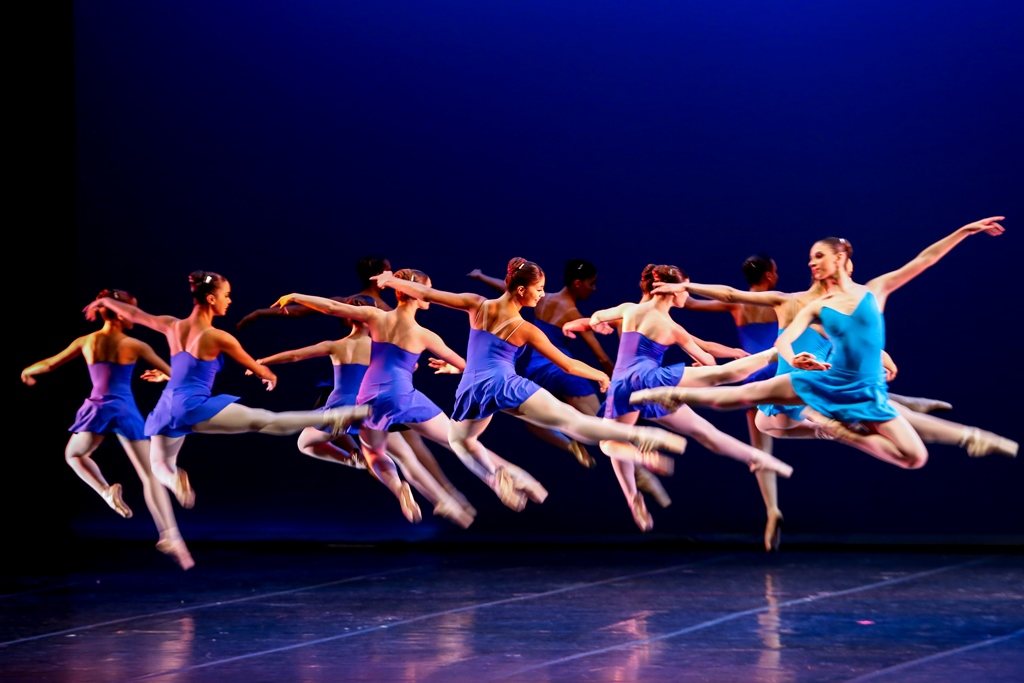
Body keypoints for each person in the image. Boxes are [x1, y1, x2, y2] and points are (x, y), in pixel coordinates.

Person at [633, 218, 1018, 469]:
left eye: (819, 257)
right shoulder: (794, 302)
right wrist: (687, 286)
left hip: (829, 390)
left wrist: (964, 231)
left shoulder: (860, 296)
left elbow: (922, 262)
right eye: (811, 259)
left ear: (841, 260)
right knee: (746, 402)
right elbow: (734, 295)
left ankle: (848, 422)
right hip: (797, 391)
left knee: (894, 442)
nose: (812, 264)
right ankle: (676, 394)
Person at [371, 258, 691, 511]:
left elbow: (426, 294)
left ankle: (498, 481)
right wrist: (600, 375)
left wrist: (390, 281)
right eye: (538, 290)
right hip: (506, 385)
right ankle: (645, 435)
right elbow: (568, 364)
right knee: (577, 424)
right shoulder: (524, 328)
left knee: (460, 442)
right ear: (522, 290)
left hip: (473, 389)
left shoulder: (476, 304)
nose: (540, 295)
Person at [83, 272, 368, 525]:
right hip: (194, 405)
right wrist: (268, 375)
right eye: (226, 295)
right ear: (210, 298)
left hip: (166, 407)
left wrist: (103, 302)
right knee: (267, 421)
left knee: (160, 466)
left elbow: (135, 315)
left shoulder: (171, 325)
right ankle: (329, 416)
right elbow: (258, 369)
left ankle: (174, 479)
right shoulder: (220, 337)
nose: (229, 301)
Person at [273, 269, 535, 523]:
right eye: (427, 290)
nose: (428, 295)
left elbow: (331, 308)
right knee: (457, 440)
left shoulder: (375, 317)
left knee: (375, 454)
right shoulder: (425, 335)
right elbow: (469, 365)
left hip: (368, 399)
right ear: (416, 294)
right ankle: (493, 478)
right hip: (403, 396)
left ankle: (399, 488)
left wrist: (296, 295)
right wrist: (455, 367)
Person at [583, 264, 794, 532]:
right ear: (674, 291)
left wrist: (597, 324)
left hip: (622, 384)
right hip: (651, 382)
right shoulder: (671, 327)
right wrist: (702, 366)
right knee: (710, 409)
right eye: (684, 289)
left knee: (609, 443)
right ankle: (759, 452)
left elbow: (597, 316)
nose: (686, 297)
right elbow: (707, 360)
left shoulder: (629, 309)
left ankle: (634, 491)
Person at [24, 289, 194, 569]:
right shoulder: (134, 345)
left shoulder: (87, 341)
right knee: (150, 475)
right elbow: (175, 375)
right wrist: (164, 375)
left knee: (75, 454)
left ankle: (105, 491)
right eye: (131, 312)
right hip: (124, 409)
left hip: (96, 407)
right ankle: (170, 533)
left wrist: (28, 370)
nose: (134, 318)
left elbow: (51, 363)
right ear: (120, 313)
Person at [469, 259, 615, 468]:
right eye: (591, 283)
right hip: (563, 370)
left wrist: (481, 276)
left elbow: (506, 288)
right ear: (577, 283)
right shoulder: (571, 313)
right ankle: (638, 469)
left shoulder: (541, 299)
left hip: (536, 370)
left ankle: (568, 444)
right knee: (602, 427)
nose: (593, 288)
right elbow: (600, 356)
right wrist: (615, 377)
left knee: (534, 421)